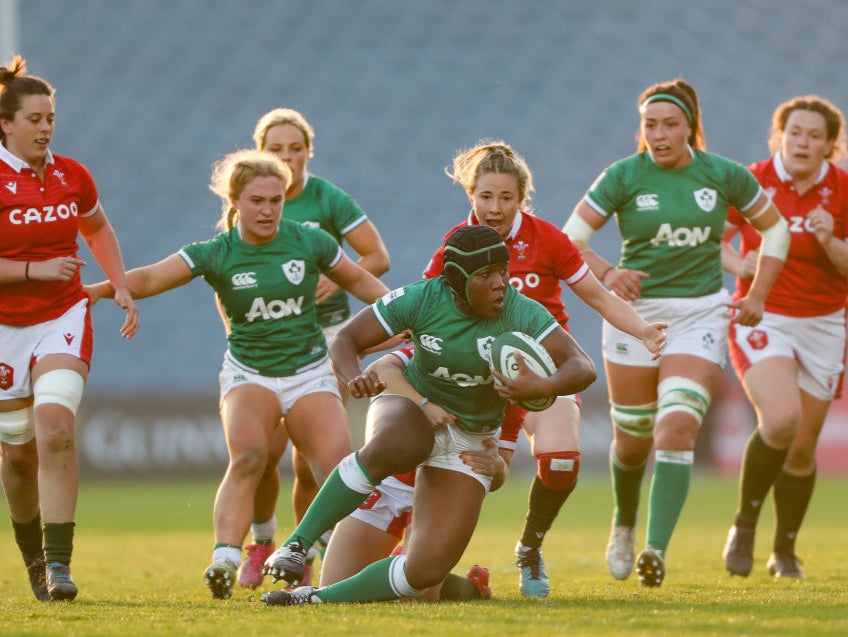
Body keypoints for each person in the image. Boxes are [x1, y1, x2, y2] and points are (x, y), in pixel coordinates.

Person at [86, 149, 389, 600]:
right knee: (249, 456)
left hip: (310, 371)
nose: (267, 210)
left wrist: (408, 316)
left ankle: (328, 555)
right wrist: (97, 290)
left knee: (338, 468)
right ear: (234, 203)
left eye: (275, 200)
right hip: (251, 374)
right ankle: (225, 559)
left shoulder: (310, 241)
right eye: (256, 201)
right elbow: (150, 277)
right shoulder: (217, 252)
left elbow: (366, 285)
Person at [259, 224, 597, 606]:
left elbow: (583, 366)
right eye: (487, 275)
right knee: (405, 441)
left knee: (423, 574)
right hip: (408, 421)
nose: (502, 283)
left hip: (467, 441)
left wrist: (540, 386)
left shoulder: (519, 317)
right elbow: (348, 340)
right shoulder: (421, 300)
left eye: (503, 271)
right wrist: (354, 377)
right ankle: (295, 545)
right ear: (456, 280)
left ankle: (316, 599)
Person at [562, 78, 789, 587]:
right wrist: (607, 273)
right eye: (650, 125)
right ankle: (623, 524)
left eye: (670, 124)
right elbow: (569, 239)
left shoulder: (722, 175)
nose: (660, 134)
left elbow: (776, 229)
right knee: (632, 442)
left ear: (690, 127)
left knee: (676, 428)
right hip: (634, 318)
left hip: (700, 315)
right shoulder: (621, 176)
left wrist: (754, 294)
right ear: (640, 129)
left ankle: (654, 550)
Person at [418, 140, 666, 597]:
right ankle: (410, 554)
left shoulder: (548, 238)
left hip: (545, 376)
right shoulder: (458, 245)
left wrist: (643, 331)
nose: (494, 208)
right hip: (480, 386)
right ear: (470, 194)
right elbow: (421, 309)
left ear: (522, 197)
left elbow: (598, 296)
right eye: (485, 196)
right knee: (486, 478)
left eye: (506, 198)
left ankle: (530, 547)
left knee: (559, 463)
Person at [0, 55, 139, 601]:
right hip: (5, 327)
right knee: (16, 455)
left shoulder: (71, 174)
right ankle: (34, 560)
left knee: (55, 426)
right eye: (34, 119)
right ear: (5, 123)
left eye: (51, 117)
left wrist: (120, 283)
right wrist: (31, 269)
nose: (46, 128)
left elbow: (97, 227)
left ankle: (60, 566)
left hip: (63, 313)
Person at [236, 108, 392, 590]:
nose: (287, 157)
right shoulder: (248, 199)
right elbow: (230, 276)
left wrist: (331, 275)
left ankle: (303, 548)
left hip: (323, 337)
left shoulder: (328, 198)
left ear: (309, 151)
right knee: (262, 451)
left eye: (296, 148)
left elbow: (377, 257)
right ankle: (262, 540)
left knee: (310, 455)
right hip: (262, 342)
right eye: (277, 149)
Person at [720, 95, 848, 579]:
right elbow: (714, 242)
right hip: (762, 315)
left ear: (829, 147)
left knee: (801, 447)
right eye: (795, 132)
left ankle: (785, 550)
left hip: (824, 323)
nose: (803, 142)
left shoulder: (841, 189)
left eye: (815, 136)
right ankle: (744, 526)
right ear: (779, 137)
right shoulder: (754, 181)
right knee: (780, 420)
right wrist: (740, 264)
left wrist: (829, 241)